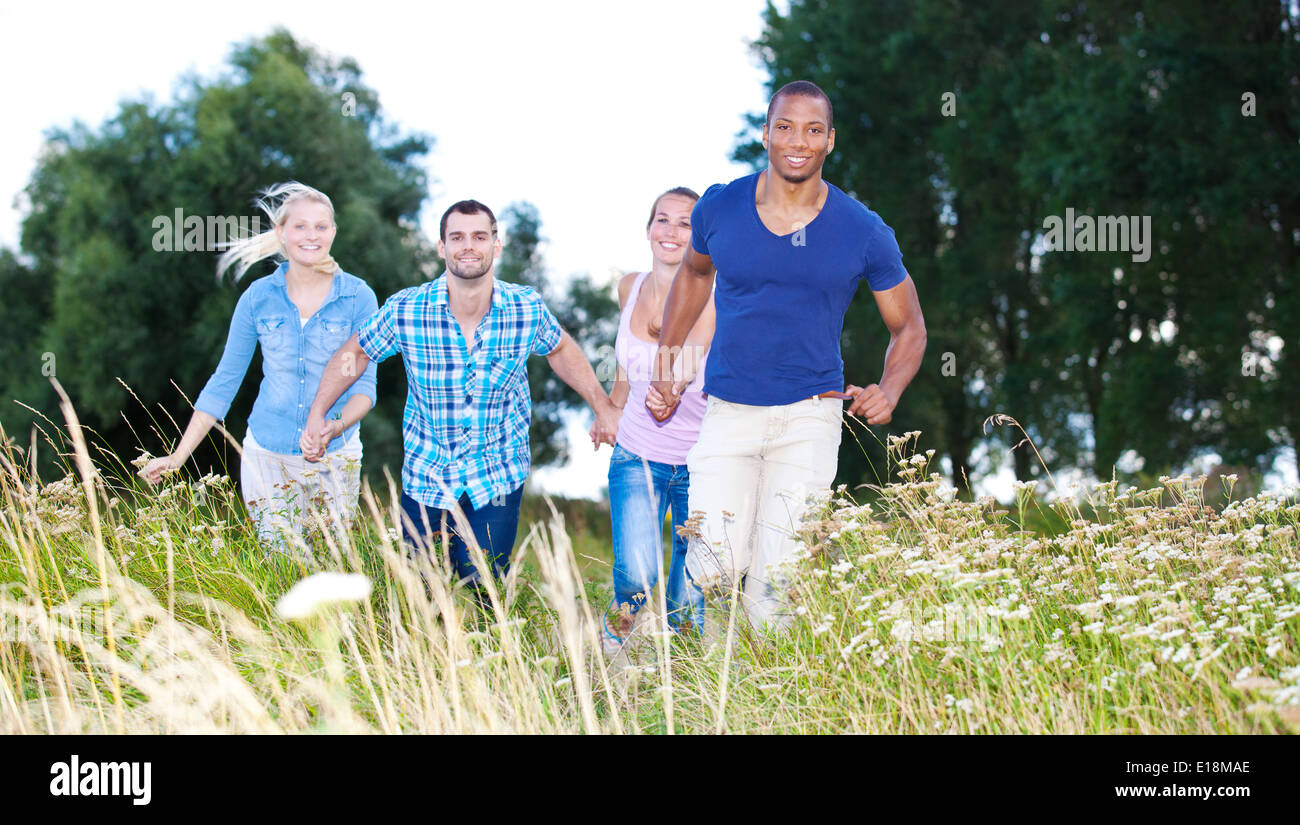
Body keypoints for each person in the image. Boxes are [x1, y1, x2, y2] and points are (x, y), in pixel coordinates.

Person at [649, 80, 928, 628]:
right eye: (785, 126)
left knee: (778, 580)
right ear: (766, 133)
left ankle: (765, 697)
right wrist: (668, 363)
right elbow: (694, 275)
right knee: (714, 564)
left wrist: (889, 389)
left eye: (812, 130)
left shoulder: (863, 231)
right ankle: (716, 686)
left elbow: (909, 326)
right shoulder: (720, 207)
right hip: (729, 410)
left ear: (830, 141)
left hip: (810, 415)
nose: (797, 140)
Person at [302, 200, 620, 590]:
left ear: (496, 246)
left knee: (486, 589)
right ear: (441, 247)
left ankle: (495, 649)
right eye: (457, 237)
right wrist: (319, 414)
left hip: (498, 477)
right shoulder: (407, 310)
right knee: (422, 596)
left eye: (479, 236)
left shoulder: (525, 309)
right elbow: (355, 353)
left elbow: (561, 349)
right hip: (427, 475)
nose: (468, 245)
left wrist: (602, 407)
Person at [139, 182, 379, 555]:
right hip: (266, 456)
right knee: (281, 568)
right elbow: (224, 382)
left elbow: (366, 388)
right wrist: (178, 456)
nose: (311, 235)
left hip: (337, 456)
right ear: (281, 233)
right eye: (300, 226)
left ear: (333, 232)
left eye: (321, 226)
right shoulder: (257, 298)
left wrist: (333, 427)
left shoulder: (358, 297)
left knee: (332, 570)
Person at [591, 187, 715, 654]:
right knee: (636, 578)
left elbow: (688, 359)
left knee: (690, 592)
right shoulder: (629, 286)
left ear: (702, 234)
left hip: (703, 464)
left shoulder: (715, 293)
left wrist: (669, 389)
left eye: (686, 223)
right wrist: (611, 409)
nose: (671, 231)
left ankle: (686, 690)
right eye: (662, 220)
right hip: (637, 454)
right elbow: (626, 363)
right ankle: (607, 665)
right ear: (648, 229)